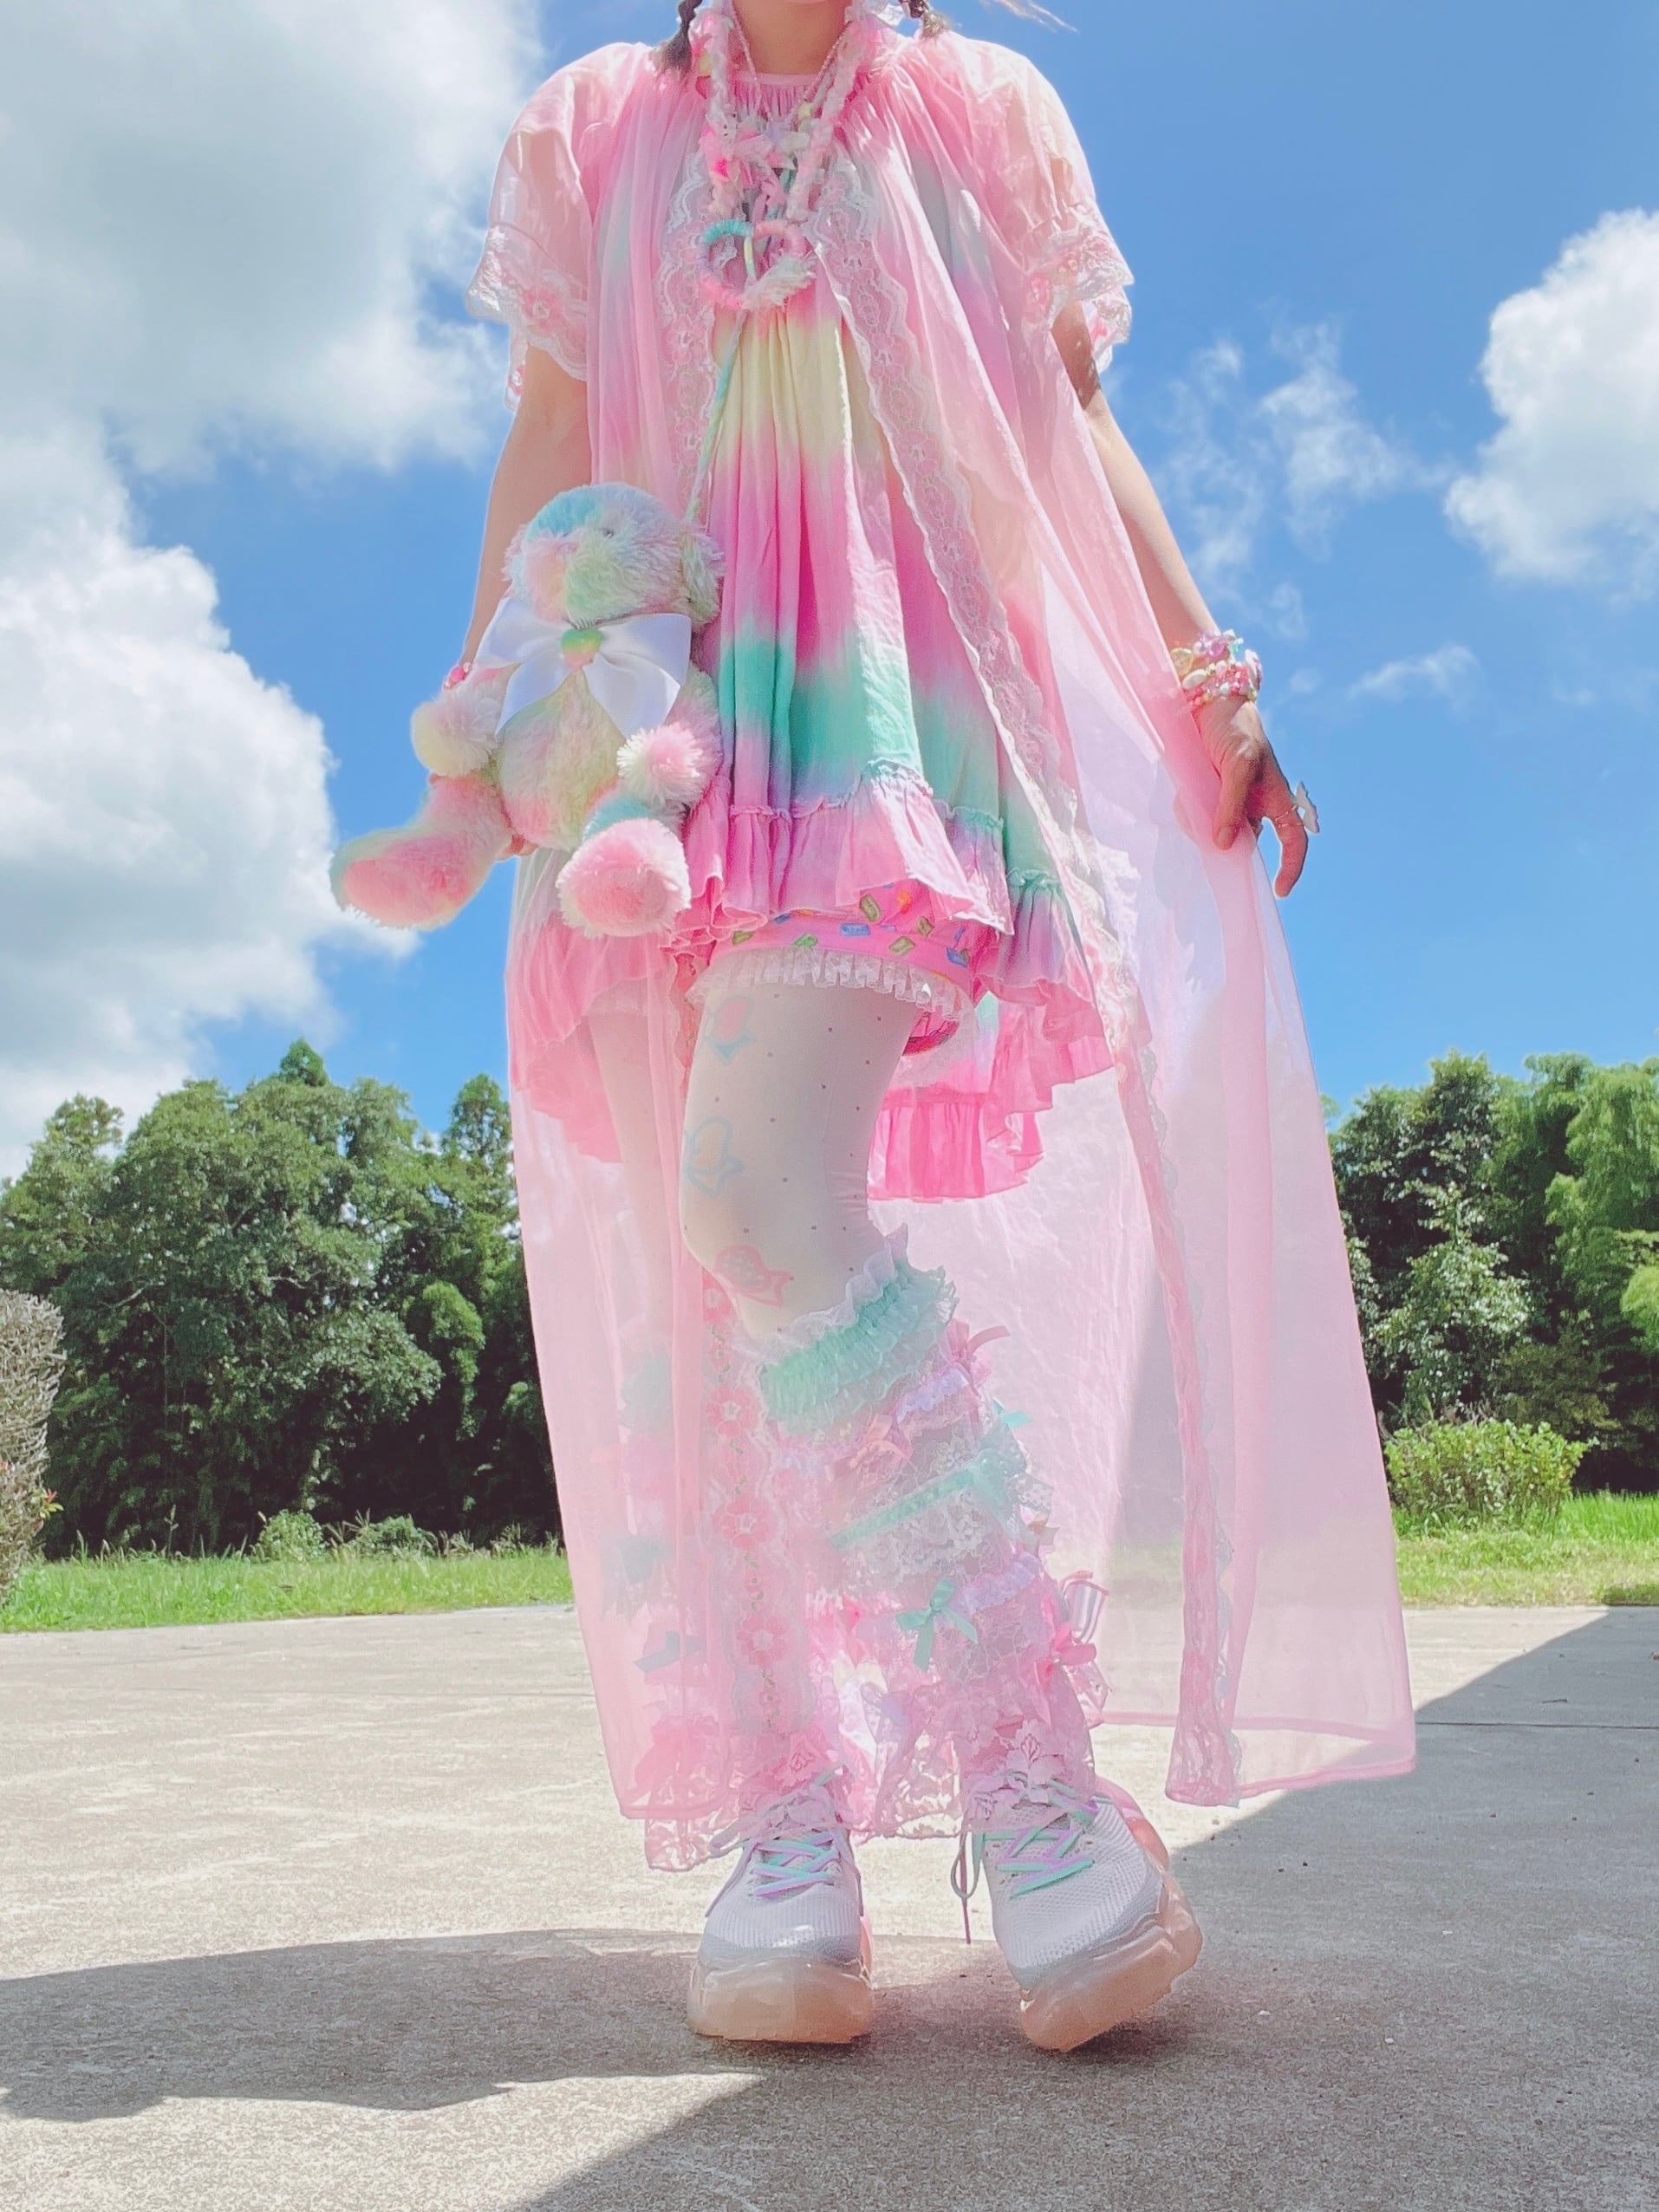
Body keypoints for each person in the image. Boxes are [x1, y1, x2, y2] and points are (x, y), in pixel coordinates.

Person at [450, 0, 1415, 2049]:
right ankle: (786, 1821)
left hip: (881, 722)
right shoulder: (595, 128)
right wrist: (494, 721)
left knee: (752, 1198)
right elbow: (550, 438)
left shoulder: (979, 110)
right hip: (641, 755)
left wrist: (1208, 678)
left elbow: (1066, 424)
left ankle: (1035, 1777)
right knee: (715, 1283)